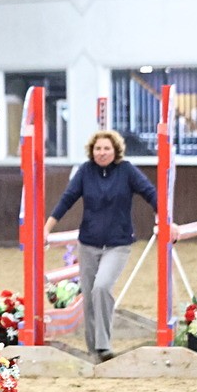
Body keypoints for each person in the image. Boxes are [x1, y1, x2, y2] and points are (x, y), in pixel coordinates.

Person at [43, 129, 157, 362]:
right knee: (88, 296)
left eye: (106, 148)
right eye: (98, 149)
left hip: (118, 244)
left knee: (102, 287)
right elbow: (67, 198)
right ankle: (93, 351)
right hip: (88, 244)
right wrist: (47, 228)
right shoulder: (85, 171)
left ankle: (104, 345)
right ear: (91, 151)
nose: (102, 152)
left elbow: (151, 193)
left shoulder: (126, 171)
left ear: (115, 150)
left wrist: (164, 219)